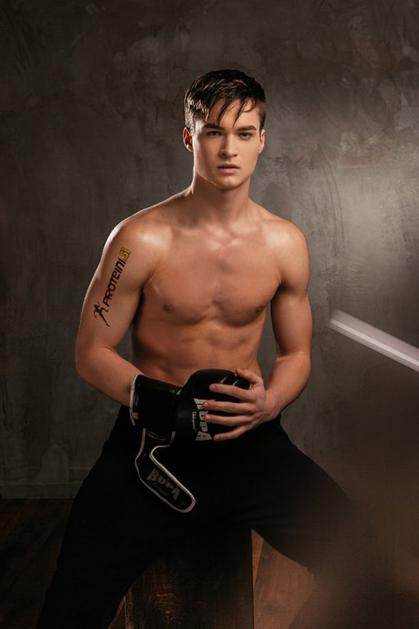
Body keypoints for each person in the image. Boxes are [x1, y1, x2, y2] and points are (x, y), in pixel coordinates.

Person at [37, 68, 372, 628]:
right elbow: (91, 352)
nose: (228, 149)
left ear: (262, 140)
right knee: (69, 608)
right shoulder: (139, 239)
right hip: (152, 450)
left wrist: (271, 403)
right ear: (189, 138)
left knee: (368, 567)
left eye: (244, 133)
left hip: (249, 442)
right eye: (213, 132)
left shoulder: (284, 243)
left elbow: (295, 355)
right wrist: (163, 404)